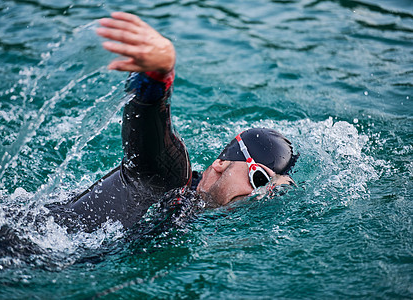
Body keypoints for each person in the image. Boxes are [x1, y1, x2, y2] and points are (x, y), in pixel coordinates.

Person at [57, 12, 297, 233]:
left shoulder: (195, 216)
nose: (256, 196)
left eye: (269, 192)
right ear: (222, 164)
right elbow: (149, 131)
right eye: (259, 180)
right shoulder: (168, 179)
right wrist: (157, 74)